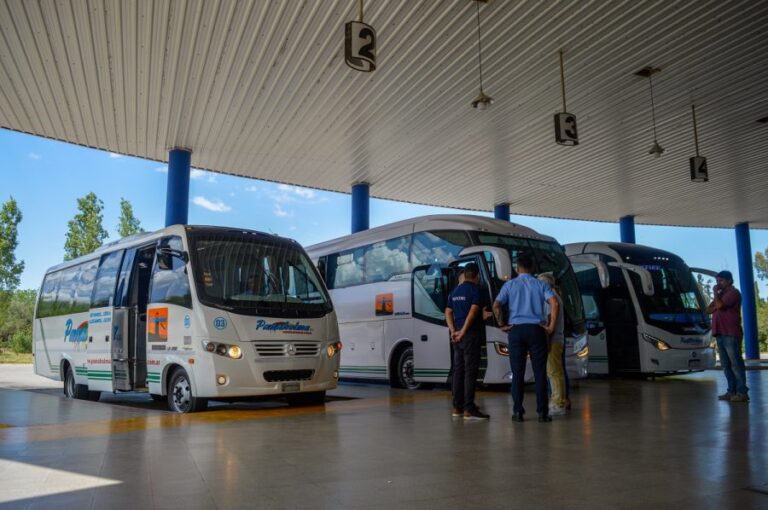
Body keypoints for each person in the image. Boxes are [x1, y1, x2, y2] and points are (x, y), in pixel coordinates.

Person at [493, 253, 559, 423]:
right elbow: (554, 303)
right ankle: (543, 413)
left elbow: (496, 305)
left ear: (517, 268)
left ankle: (518, 412)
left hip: (516, 331)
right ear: (533, 268)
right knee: (540, 373)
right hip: (537, 330)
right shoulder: (540, 284)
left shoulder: (510, 285)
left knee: (518, 373)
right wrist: (550, 328)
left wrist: (501, 324)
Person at [445, 263, 490, 420]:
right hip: (470, 336)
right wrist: (464, 331)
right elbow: (473, 311)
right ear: (477, 275)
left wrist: (453, 330)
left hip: (457, 337)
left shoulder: (454, 291)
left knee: (459, 371)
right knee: (470, 372)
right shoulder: (476, 290)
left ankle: (457, 407)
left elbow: (448, 311)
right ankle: (469, 409)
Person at [706, 270, 749, 402]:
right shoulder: (721, 294)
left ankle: (742, 393)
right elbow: (708, 310)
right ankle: (731, 391)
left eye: (721, 281)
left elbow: (719, 306)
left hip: (731, 333)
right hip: (719, 333)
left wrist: (715, 293)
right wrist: (717, 295)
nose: (718, 284)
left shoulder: (733, 293)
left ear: (729, 280)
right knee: (726, 365)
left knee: (736, 364)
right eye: (717, 281)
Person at [538, 273, 566, 416]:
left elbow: (549, 319)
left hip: (552, 340)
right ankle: (560, 400)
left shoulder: (550, 298)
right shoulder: (557, 295)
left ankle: (557, 402)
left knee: (553, 372)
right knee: (557, 372)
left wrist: (546, 337)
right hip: (558, 339)